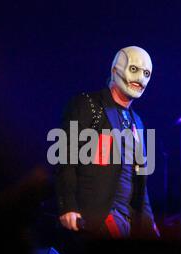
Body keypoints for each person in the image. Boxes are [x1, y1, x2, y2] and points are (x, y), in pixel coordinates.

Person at [55, 46, 159, 240]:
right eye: (134, 70)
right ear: (115, 70)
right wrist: (68, 205)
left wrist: (149, 225)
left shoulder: (139, 122)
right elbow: (64, 156)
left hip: (130, 223)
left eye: (146, 73)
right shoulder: (88, 104)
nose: (140, 79)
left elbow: (141, 183)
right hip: (98, 218)